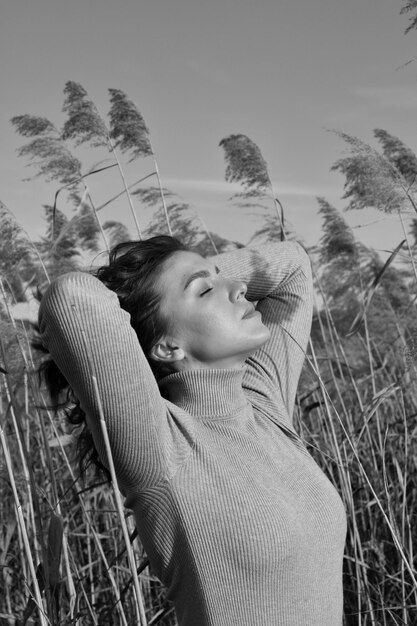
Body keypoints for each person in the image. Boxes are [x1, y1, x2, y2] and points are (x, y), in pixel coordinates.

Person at [38, 235, 346, 626]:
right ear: (167, 348)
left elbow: (291, 268)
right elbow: (71, 296)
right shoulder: (159, 447)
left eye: (225, 279)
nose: (239, 289)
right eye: (205, 291)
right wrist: (149, 286)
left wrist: (196, 272)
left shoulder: (263, 401)